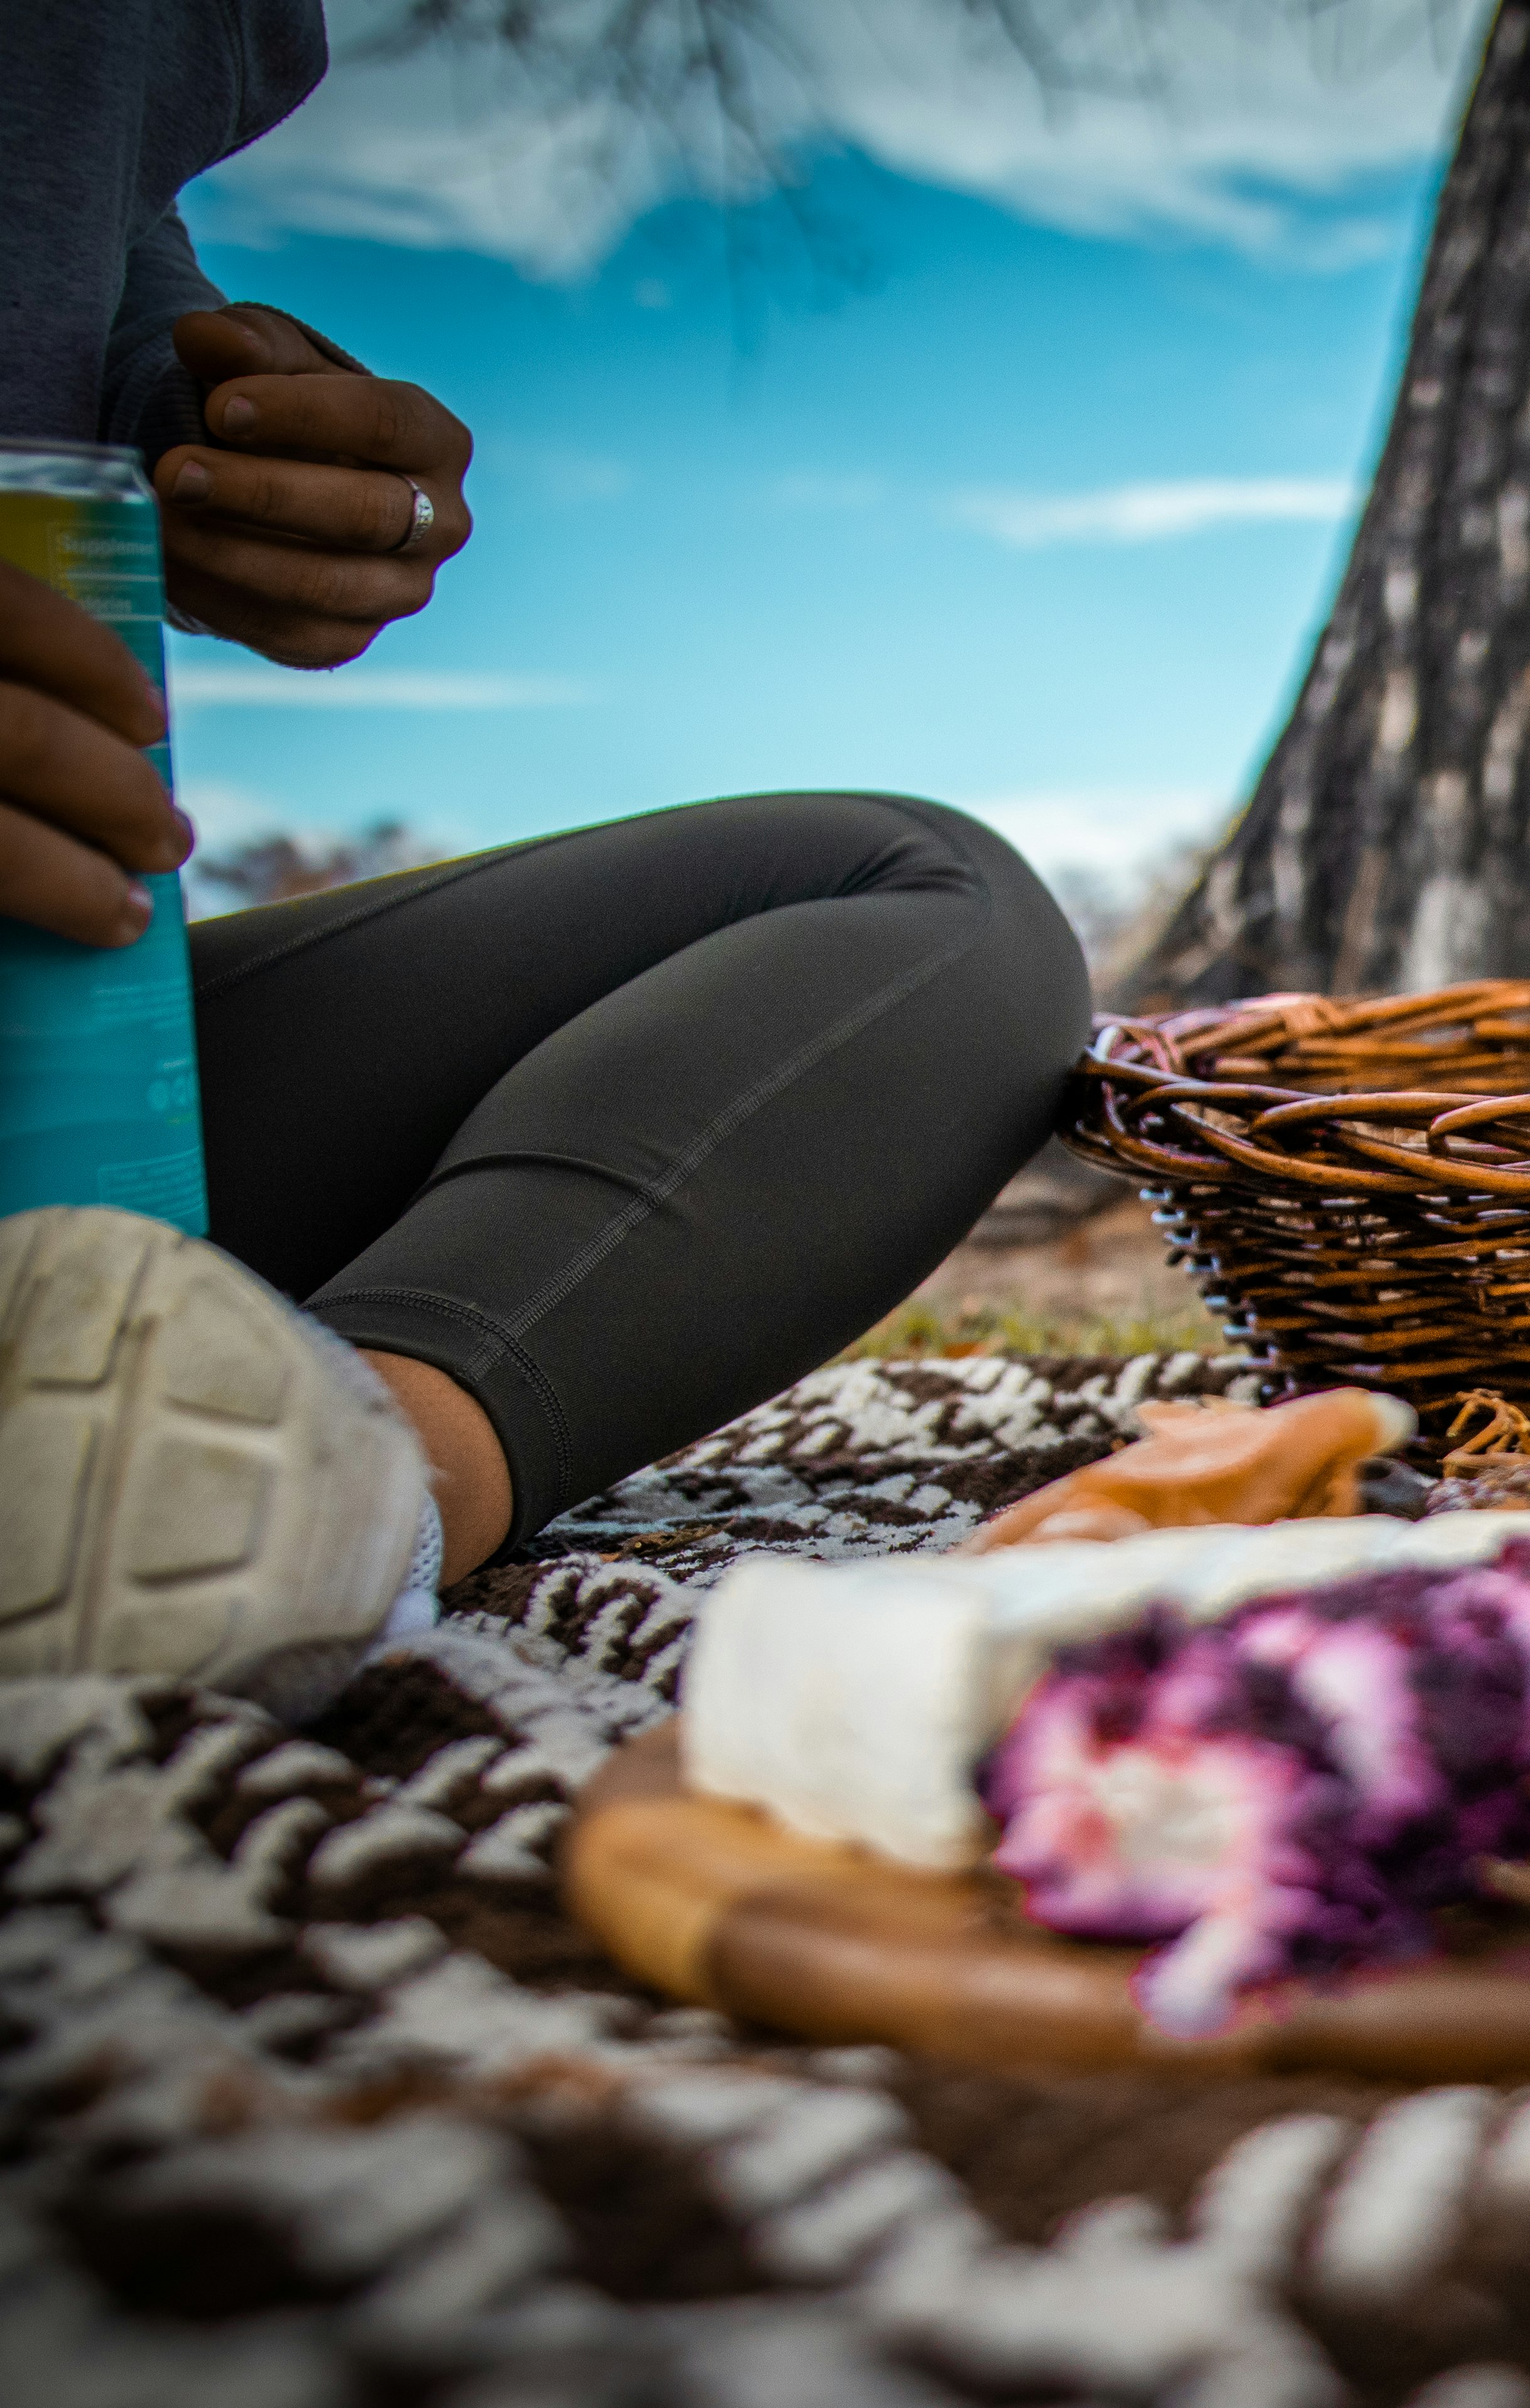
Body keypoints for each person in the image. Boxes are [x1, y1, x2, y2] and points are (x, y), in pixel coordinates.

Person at [2, 4, 1090, 1703]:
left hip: (61, 1053)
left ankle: (323, 1504)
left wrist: (204, 431)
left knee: (918, 909)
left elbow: (78, 272)